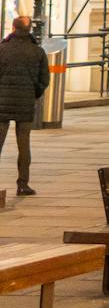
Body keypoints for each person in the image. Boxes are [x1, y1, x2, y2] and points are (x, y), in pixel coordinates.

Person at [0, 16, 48, 197]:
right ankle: (23, 184)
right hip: (25, 104)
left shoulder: (2, 49)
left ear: (13, 28)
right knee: (24, 145)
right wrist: (33, 93)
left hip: (2, 104)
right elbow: (44, 80)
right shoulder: (37, 51)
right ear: (29, 30)